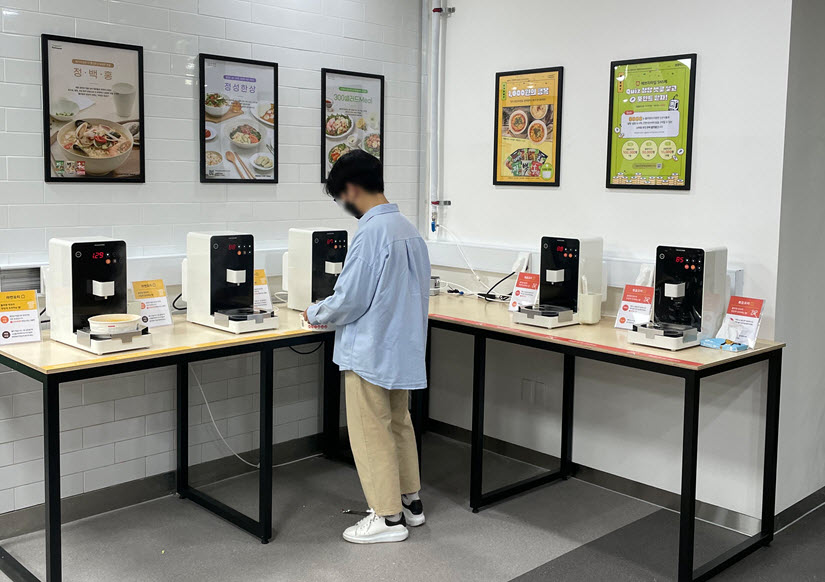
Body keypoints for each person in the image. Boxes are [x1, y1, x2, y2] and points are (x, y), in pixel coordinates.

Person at [303, 150, 430, 544]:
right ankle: (411, 503)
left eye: (341, 197)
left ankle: (387, 518)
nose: (344, 205)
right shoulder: (408, 228)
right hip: (401, 348)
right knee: (398, 424)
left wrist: (313, 311)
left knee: (369, 432)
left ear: (352, 189)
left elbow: (350, 299)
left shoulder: (370, 234)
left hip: (370, 351)